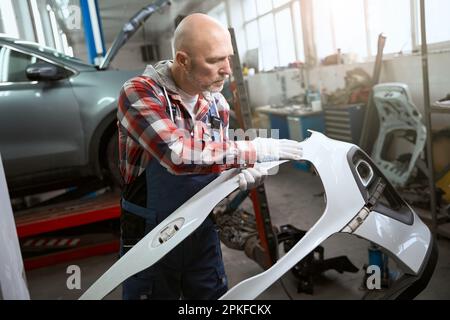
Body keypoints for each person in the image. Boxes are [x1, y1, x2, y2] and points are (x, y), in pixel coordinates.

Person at [117, 13, 303, 300]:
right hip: (150, 235)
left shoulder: (216, 103)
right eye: (216, 60)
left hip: (200, 229)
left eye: (228, 58)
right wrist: (256, 149)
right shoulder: (139, 92)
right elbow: (179, 155)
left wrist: (236, 175)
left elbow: (215, 158)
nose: (227, 69)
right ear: (182, 60)